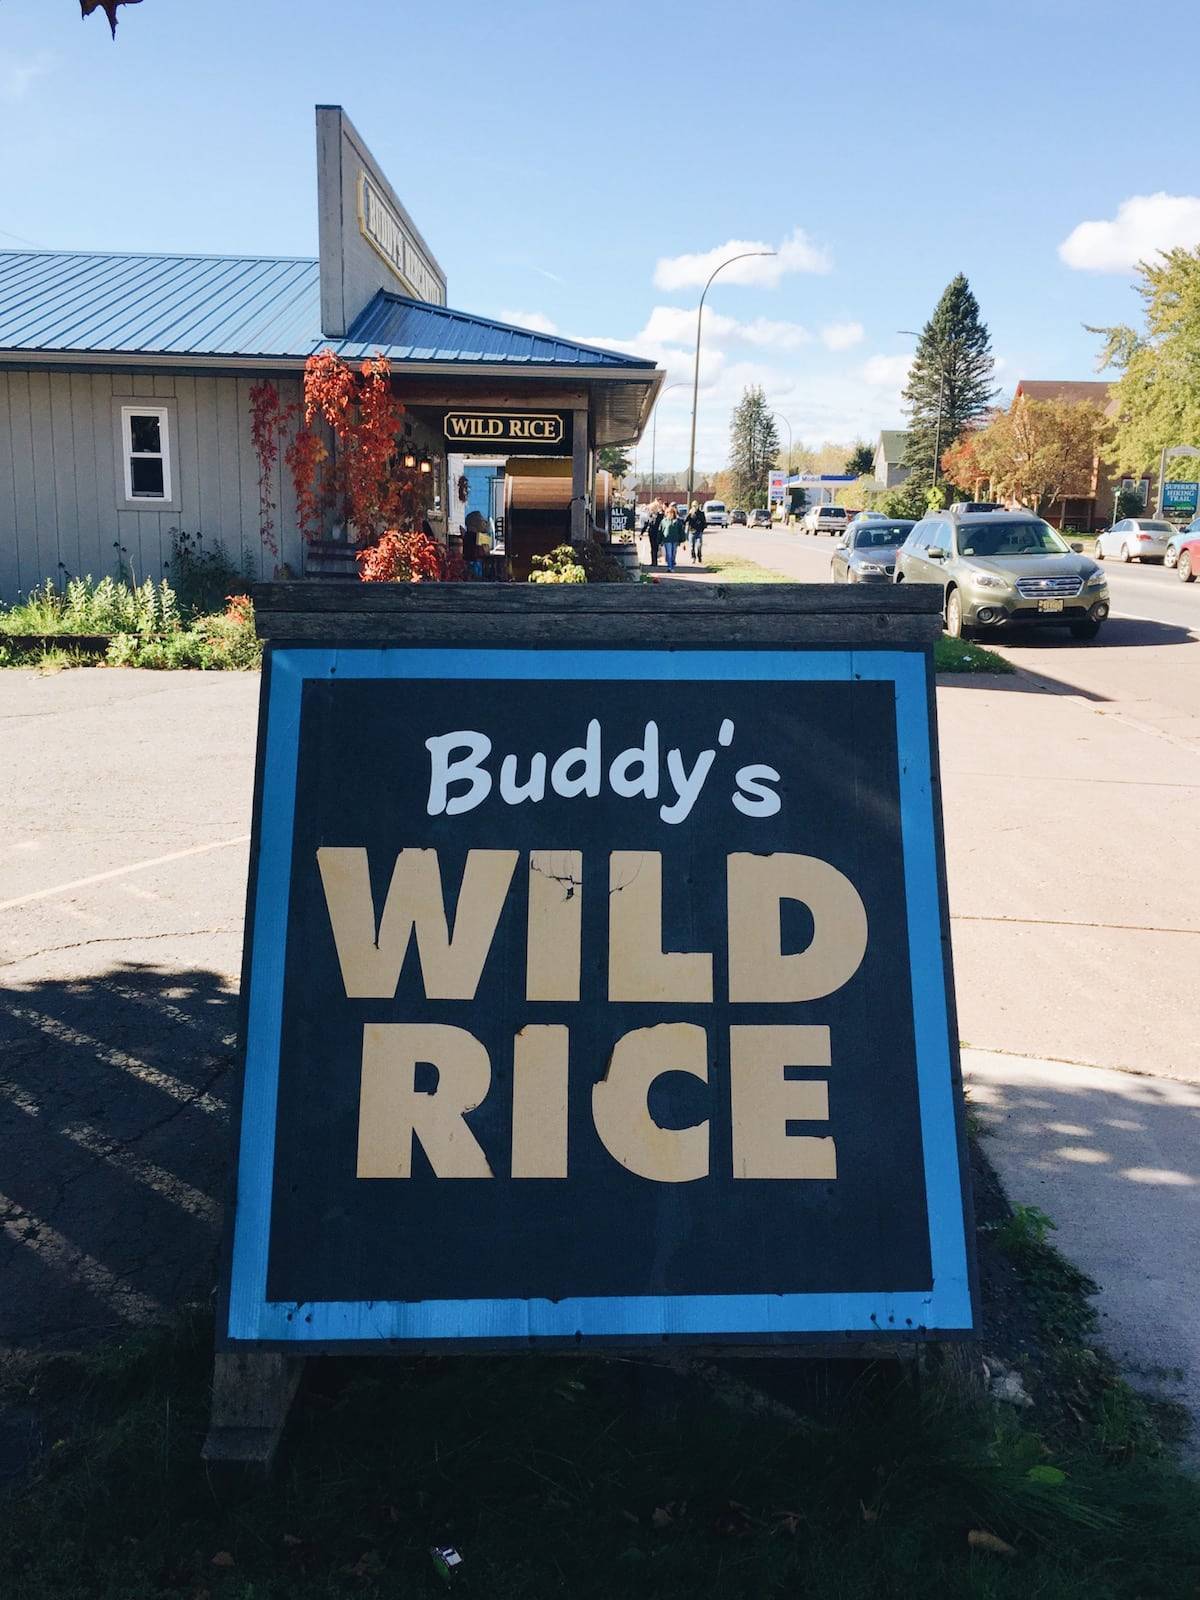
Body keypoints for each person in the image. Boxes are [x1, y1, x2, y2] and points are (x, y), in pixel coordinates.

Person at [661, 503, 686, 571]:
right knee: (669, 554)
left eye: (671, 512)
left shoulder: (677, 521)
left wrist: (683, 541)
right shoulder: (664, 521)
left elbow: (681, 531)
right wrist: (660, 540)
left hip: (675, 540)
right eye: (668, 512)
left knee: (673, 553)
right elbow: (660, 531)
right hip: (667, 540)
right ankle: (670, 567)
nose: (670, 514)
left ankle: (672, 564)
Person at [645, 500, 665, 567]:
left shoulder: (660, 515)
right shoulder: (652, 515)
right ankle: (654, 561)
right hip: (653, 532)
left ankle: (655, 561)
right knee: (653, 547)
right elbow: (647, 523)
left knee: (655, 547)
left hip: (656, 532)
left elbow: (662, 524)